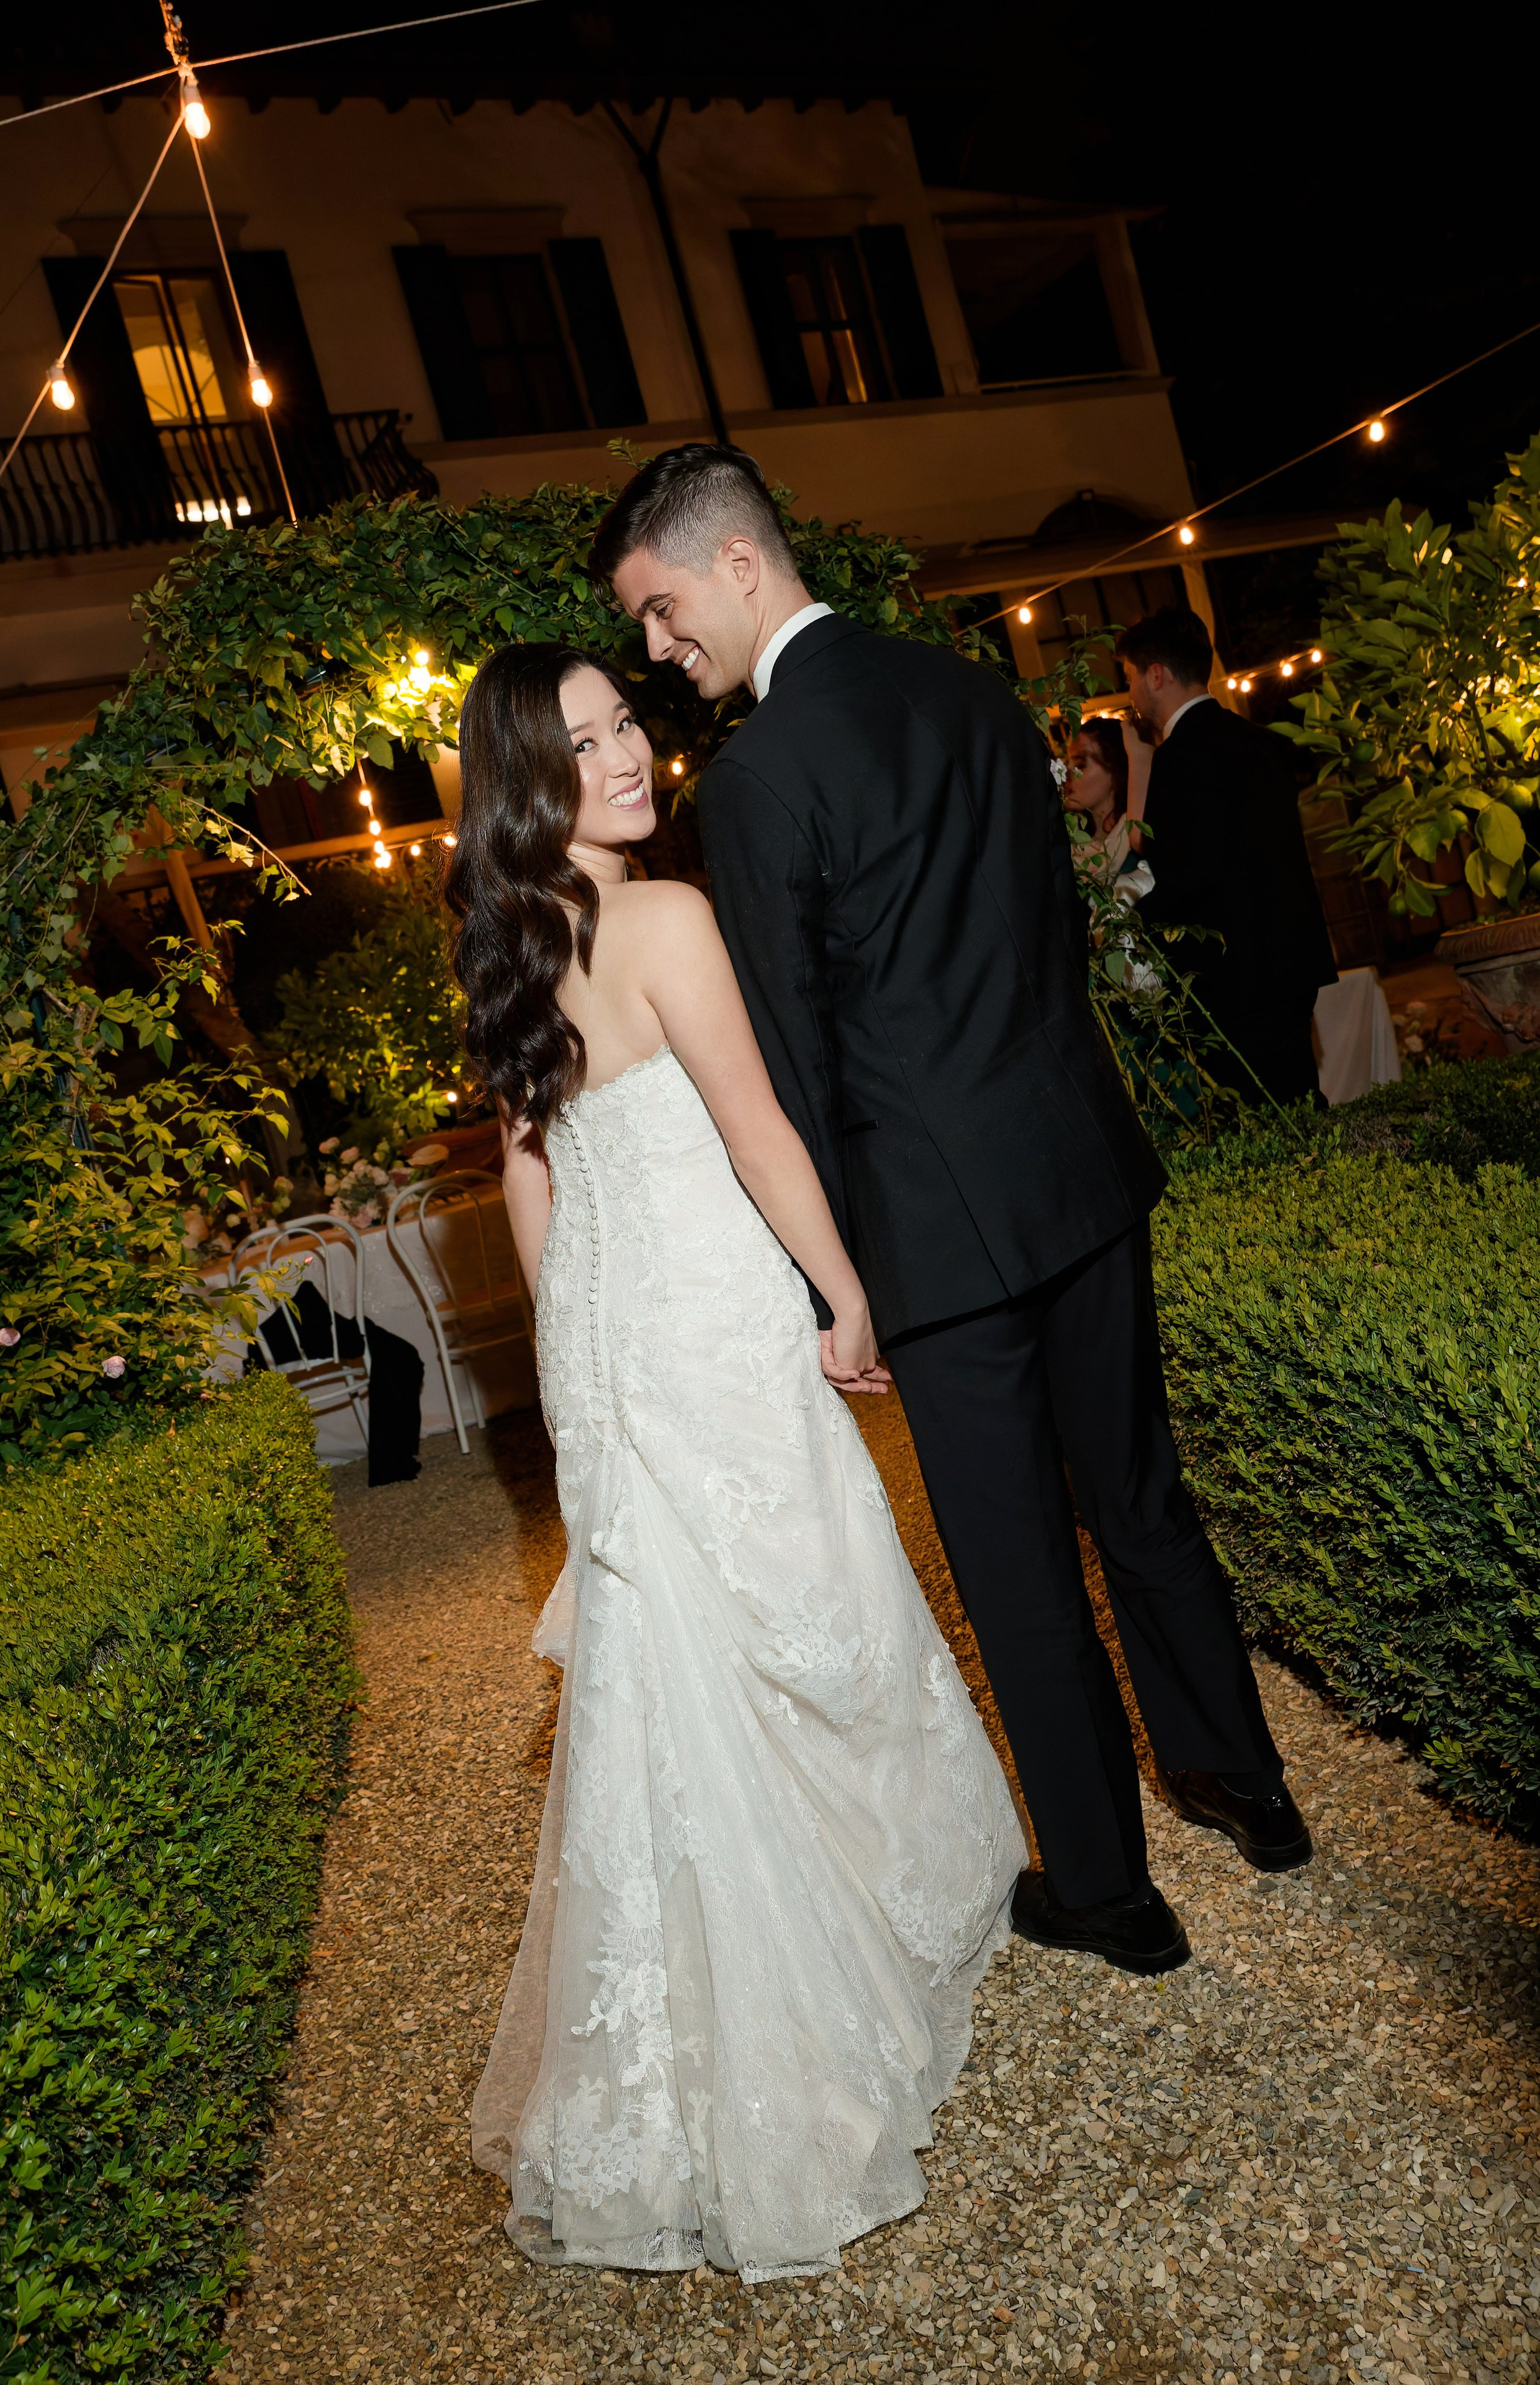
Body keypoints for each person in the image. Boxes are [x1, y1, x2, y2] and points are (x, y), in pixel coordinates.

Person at [592, 441, 1313, 1983]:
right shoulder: (975, 690)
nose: (658, 651)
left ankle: (1110, 1890)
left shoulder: (764, 777)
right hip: (1080, 1169)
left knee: (1015, 1566)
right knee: (1141, 1495)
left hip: (936, 1235)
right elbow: (1049, 935)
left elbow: (789, 1048)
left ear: (732, 564)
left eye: (657, 611)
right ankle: (1247, 1787)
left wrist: (827, 1281)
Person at [452, 643, 1022, 2281]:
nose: (629, 751)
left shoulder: (516, 946)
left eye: (629, 719)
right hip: (714, 1330)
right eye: (586, 740)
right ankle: (838, 1978)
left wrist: (577, 1364)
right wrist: (844, 1287)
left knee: (682, 1680)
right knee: (813, 1610)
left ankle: (662, 2072)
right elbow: (760, 1127)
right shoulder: (667, 920)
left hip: (631, 1348)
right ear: (529, 780)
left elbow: (530, 1180)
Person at [1117, 605, 1338, 1104]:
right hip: (1291, 958)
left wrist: (1127, 919)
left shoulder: (1181, 755)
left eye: (1129, 677)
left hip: (1235, 975)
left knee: (1261, 1120)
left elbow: (1189, 870)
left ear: (1157, 675)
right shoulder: (1259, 742)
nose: (1130, 692)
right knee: (1299, 1103)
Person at [1061, 713, 1153, 898]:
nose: (1068, 771)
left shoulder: (1138, 841)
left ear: (1114, 770)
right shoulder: (1067, 845)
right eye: (1067, 762)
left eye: (1080, 764)